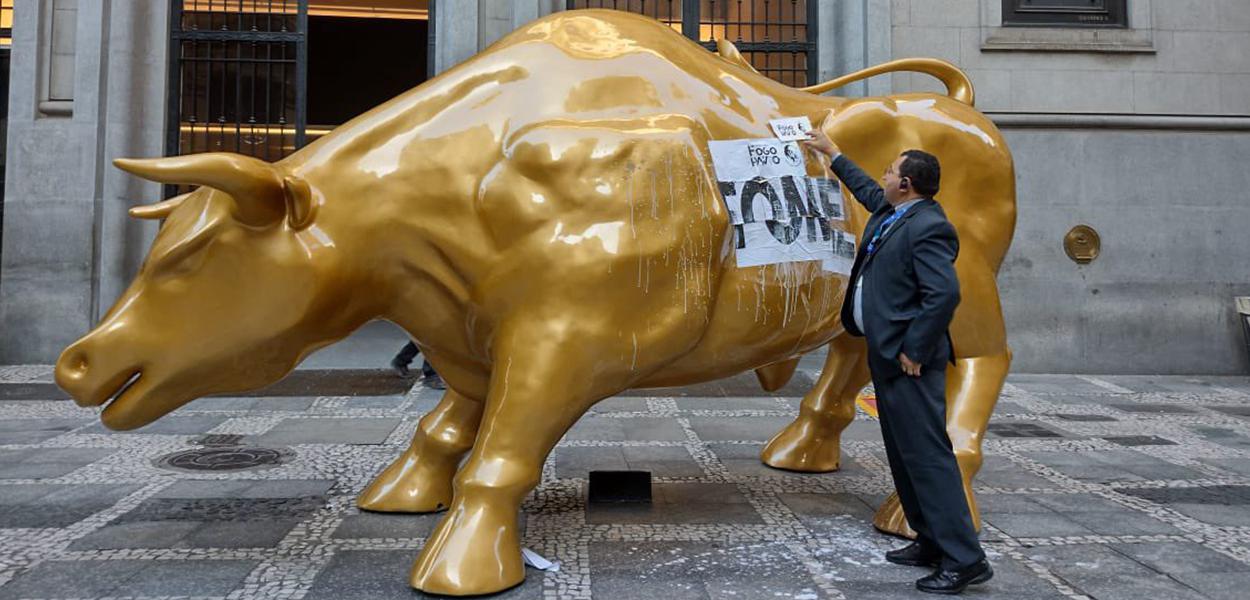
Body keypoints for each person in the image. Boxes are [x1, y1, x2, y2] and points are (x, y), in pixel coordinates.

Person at [801, 128, 992, 595]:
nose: (884, 175)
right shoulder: (895, 211)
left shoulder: (930, 226)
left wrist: (915, 350)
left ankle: (965, 560)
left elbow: (943, 294)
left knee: (928, 459)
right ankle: (929, 540)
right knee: (905, 456)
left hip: (910, 362)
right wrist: (833, 153)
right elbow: (867, 191)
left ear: (906, 184)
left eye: (891, 170)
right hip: (886, 355)